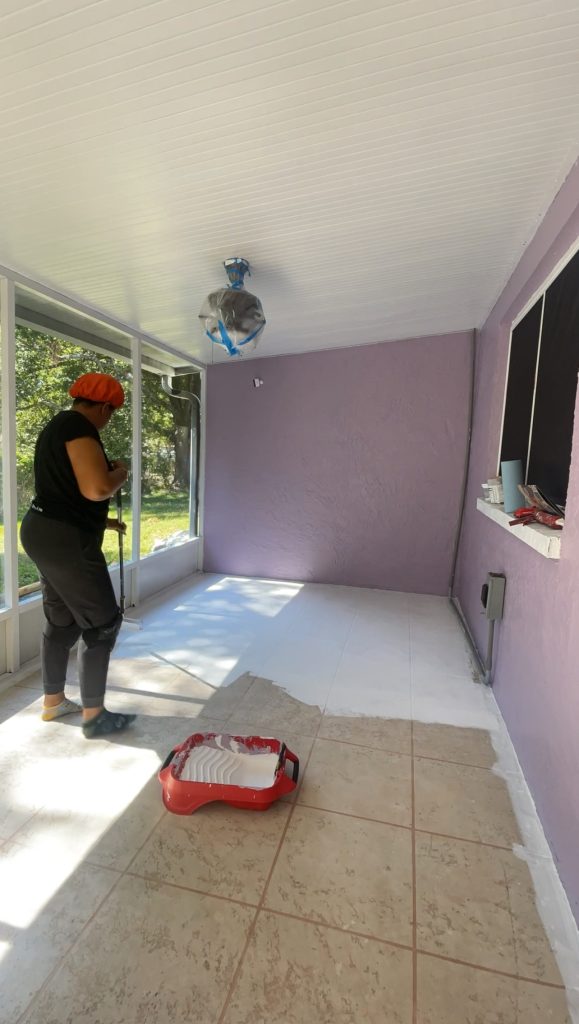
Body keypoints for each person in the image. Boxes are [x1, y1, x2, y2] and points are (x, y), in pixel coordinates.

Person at [20, 372, 136, 739]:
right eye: (111, 413)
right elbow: (98, 487)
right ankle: (95, 716)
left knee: (63, 622)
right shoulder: (78, 428)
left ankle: (53, 701)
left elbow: (66, 495)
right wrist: (121, 473)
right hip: (65, 541)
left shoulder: (57, 426)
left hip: (42, 531)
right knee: (102, 625)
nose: (108, 420)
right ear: (103, 407)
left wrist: (105, 523)